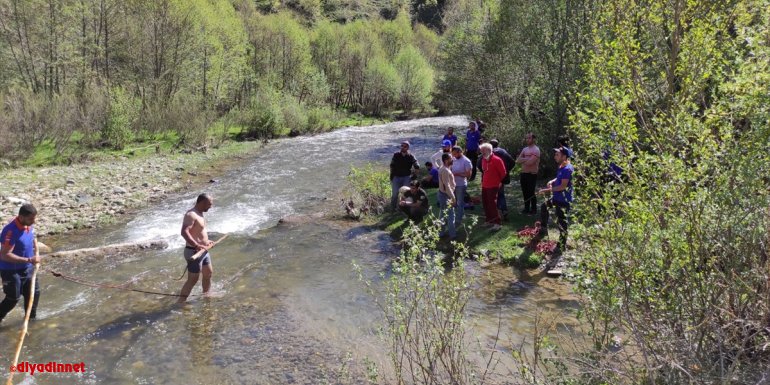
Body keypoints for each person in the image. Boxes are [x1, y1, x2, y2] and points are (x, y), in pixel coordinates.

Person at [0, 204, 41, 323]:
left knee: (34, 294)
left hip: (28, 268)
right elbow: (4, 255)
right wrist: (29, 260)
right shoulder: (10, 231)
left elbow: (31, 239)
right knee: (13, 298)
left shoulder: (29, 225)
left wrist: (34, 257)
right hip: (11, 270)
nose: (33, 221)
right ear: (21, 217)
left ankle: (31, 321)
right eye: (31, 219)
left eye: (34, 218)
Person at [179, 193, 215, 302]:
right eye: (209, 204)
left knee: (208, 273)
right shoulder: (191, 214)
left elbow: (198, 232)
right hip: (193, 252)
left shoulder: (200, 213)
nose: (210, 206)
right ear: (202, 202)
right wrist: (196, 245)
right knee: (192, 280)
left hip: (204, 251)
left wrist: (206, 241)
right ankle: (180, 302)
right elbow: (184, 232)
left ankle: (206, 295)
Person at [537, 147, 574, 253]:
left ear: (564, 156)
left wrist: (547, 190)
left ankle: (561, 246)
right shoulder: (562, 166)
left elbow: (562, 186)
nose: (555, 156)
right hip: (556, 197)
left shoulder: (568, 169)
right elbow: (559, 178)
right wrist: (552, 181)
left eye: (557, 155)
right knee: (544, 206)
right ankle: (543, 229)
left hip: (563, 200)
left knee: (562, 223)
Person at [480, 143, 507, 230]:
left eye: (483, 150)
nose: (482, 152)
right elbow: (484, 172)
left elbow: (503, 173)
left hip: (493, 185)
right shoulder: (483, 159)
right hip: (485, 185)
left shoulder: (497, 160)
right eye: (481, 151)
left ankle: (497, 223)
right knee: (485, 203)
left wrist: (499, 181)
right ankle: (489, 220)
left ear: (489, 150)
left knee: (492, 203)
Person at [489, 139, 516, 218]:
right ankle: (503, 210)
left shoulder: (489, 152)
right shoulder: (504, 152)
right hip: (502, 176)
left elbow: (479, 163)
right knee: (501, 194)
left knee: (492, 194)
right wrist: (506, 170)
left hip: (492, 176)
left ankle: (495, 212)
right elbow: (512, 162)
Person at [389, 141, 420, 210]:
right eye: (402, 146)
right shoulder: (396, 155)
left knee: (406, 193)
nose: (402, 147)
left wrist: (415, 176)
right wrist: (391, 175)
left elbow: (417, 166)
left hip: (406, 177)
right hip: (396, 177)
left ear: (408, 148)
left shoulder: (411, 156)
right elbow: (391, 165)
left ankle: (403, 208)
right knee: (395, 194)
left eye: (405, 146)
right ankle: (392, 208)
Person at [516, 133, 541, 215]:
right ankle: (526, 208)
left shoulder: (536, 150)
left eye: (529, 138)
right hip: (523, 173)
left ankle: (534, 209)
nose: (527, 140)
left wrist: (523, 159)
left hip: (532, 174)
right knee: (525, 192)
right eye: (526, 138)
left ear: (533, 139)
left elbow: (530, 163)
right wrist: (527, 158)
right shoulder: (525, 149)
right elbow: (518, 160)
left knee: (531, 192)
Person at [451, 146, 473, 228]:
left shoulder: (466, 161)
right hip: (453, 184)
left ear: (460, 152)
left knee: (460, 202)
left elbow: (468, 175)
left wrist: (457, 174)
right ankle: (462, 215)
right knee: (455, 201)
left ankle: (458, 221)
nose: (454, 156)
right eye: (453, 154)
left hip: (461, 185)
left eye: (455, 154)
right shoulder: (453, 159)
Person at [437, 153, 457, 239]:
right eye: (450, 158)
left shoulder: (443, 168)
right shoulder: (445, 170)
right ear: (446, 160)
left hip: (443, 194)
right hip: (446, 195)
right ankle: (452, 235)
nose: (452, 160)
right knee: (451, 215)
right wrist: (453, 198)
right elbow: (447, 186)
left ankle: (441, 233)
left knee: (442, 214)